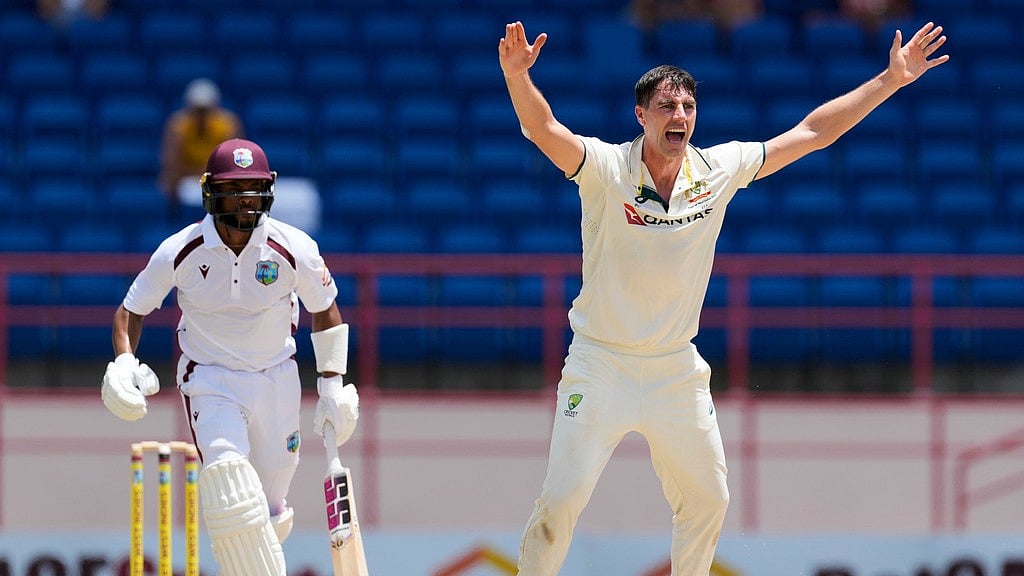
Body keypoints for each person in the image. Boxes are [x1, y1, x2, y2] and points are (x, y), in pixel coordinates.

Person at [498, 19, 947, 575]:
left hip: (674, 370)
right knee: (560, 503)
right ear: (640, 116)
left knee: (710, 500)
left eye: (687, 106)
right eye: (667, 106)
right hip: (599, 363)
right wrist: (518, 79)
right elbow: (543, 129)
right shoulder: (607, 168)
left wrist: (889, 80)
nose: (680, 116)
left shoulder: (718, 168)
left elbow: (812, 133)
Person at [101, 138, 359, 576]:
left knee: (272, 507)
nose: (244, 198)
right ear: (211, 193)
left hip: (277, 376)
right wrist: (124, 362)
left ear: (268, 191)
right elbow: (131, 311)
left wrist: (332, 384)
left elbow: (326, 308)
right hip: (211, 379)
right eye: (233, 188)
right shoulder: (180, 250)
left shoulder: (293, 247)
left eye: (253, 188)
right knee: (229, 481)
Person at [159, 78, 244, 220]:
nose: (202, 116)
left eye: (206, 111)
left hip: (217, 181)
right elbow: (172, 165)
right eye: (198, 111)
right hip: (185, 181)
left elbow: (233, 164)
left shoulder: (227, 125)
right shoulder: (178, 127)